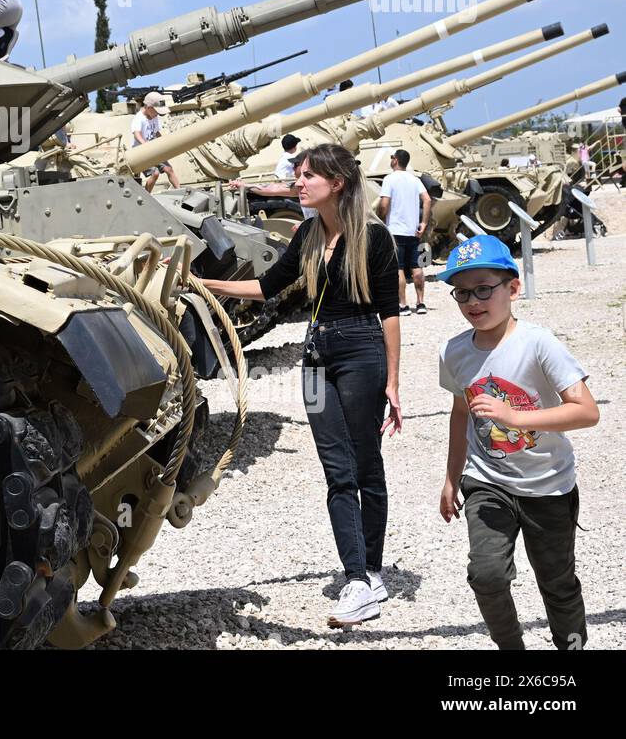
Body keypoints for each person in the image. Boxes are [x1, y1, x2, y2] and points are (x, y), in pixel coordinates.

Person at [201, 143, 401, 629]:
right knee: (337, 469)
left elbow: (390, 312)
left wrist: (394, 380)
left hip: (361, 349)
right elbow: (269, 287)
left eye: (308, 175)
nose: (299, 182)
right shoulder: (308, 233)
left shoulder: (372, 237)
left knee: (365, 465)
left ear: (337, 183)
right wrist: (204, 285)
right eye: (298, 174)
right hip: (314, 358)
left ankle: (371, 572)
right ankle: (356, 579)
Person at [437, 234, 599, 650]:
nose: (473, 301)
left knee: (557, 582)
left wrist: (516, 416)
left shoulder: (538, 343)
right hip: (487, 481)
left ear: (513, 287)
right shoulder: (454, 352)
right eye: (462, 293)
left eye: (484, 289)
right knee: (486, 575)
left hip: (548, 484)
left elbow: (586, 411)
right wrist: (452, 478)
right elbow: (461, 414)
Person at [376, 148, 432, 315]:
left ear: (395, 160)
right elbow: (427, 199)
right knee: (417, 267)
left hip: (395, 230)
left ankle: (403, 305)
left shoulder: (389, 179)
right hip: (413, 230)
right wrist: (423, 223)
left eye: (392, 157)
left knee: (398, 268)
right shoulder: (414, 179)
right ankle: (421, 303)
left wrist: (380, 219)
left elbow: (384, 203)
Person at [228, 133, 315, 219]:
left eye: (296, 164)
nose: (293, 167)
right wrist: (244, 185)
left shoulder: (316, 186)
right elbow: (272, 189)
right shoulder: (299, 188)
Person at [129, 92, 181, 192]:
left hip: (154, 149)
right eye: (156, 111)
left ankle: (180, 191)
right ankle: (147, 196)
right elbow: (137, 133)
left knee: (168, 169)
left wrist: (163, 141)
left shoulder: (154, 117)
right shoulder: (139, 118)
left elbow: (156, 132)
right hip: (141, 152)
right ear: (149, 107)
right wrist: (145, 144)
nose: (157, 114)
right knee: (155, 173)